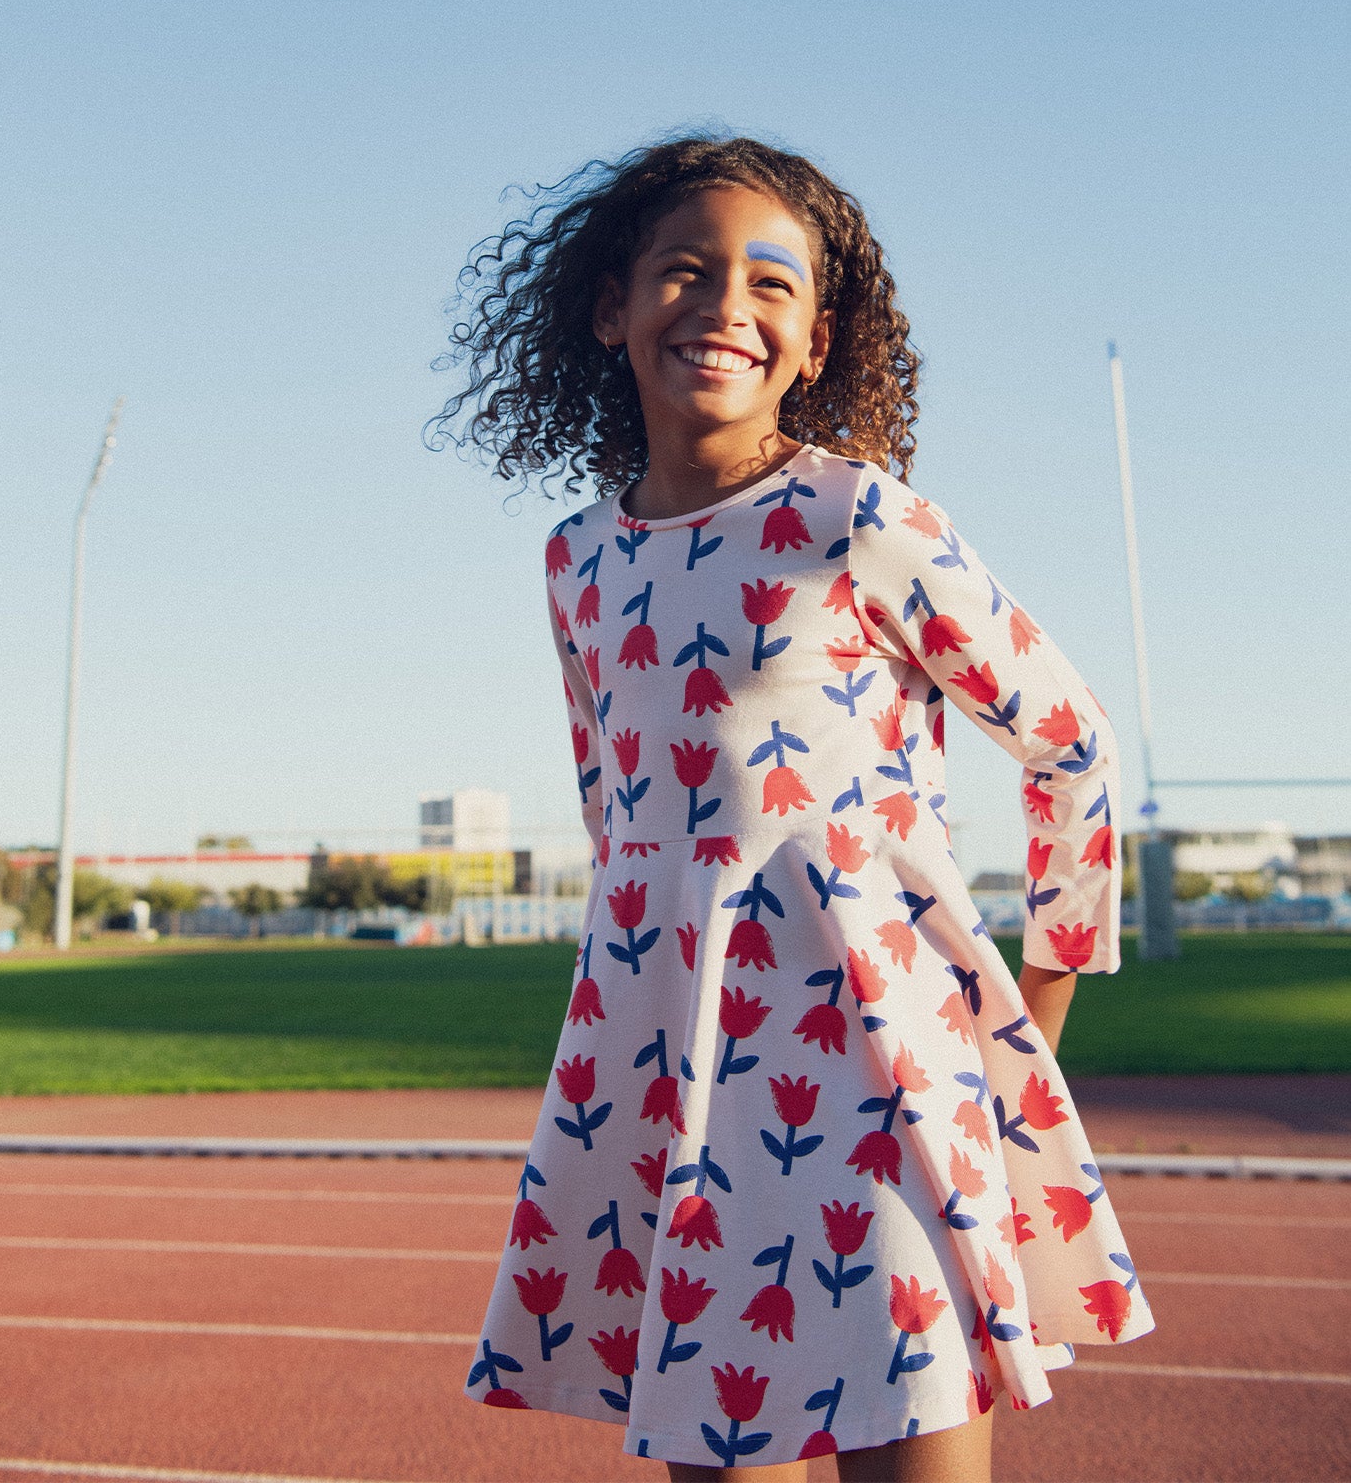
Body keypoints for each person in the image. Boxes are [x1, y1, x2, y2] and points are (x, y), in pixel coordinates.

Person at [438, 136, 1153, 1480]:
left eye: (771, 284)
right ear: (609, 307)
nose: (726, 308)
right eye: (686, 272)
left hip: (887, 1082)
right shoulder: (577, 560)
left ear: (816, 342)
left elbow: (1076, 749)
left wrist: (1031, 1046)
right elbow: (620, 827)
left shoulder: (861, 518)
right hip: (685, 1093)